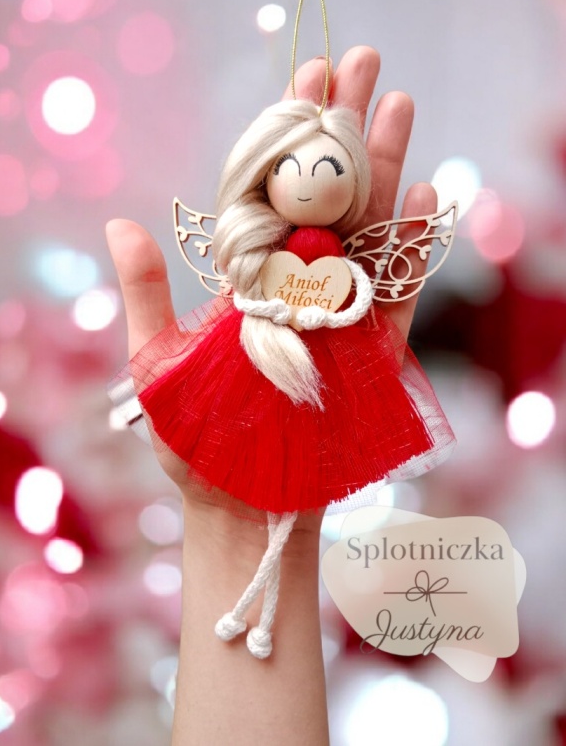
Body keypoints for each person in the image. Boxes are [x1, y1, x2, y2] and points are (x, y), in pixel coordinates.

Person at [107, 46, 446, 745]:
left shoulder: (340, 264)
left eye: (332, 170)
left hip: (327, 336)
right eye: (295, 167)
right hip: (257, 345)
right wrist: (229, 525)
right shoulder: (262, 267)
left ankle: (256, 590)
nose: (314, 180)